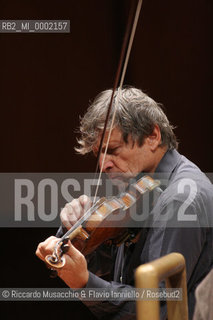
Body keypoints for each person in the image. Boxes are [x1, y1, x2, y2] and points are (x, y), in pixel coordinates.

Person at [36, 87, 213, 320]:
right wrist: (79, 230)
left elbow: (159, 308)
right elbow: (115, 272)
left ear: (152, 136)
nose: (103, 165)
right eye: (98, 153)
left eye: (113, 150)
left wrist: (85, 283)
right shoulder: (141, 187)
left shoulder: (180, 200)